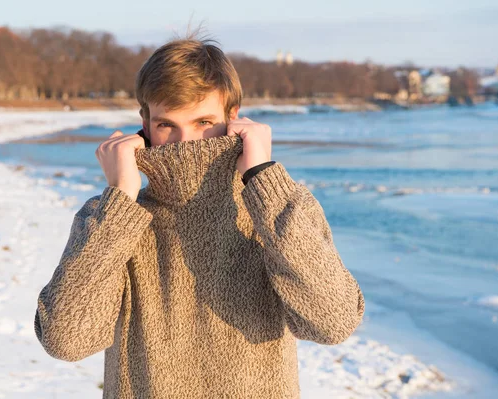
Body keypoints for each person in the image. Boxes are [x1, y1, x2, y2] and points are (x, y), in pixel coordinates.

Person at [34, 33, 365, 398]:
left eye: (204, 122)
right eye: (166, 125)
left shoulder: (276, 209)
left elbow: (333, 322)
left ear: (234, 118)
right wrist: (120, 199)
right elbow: (67, 340)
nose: (185, 142)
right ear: (143, 127)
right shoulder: (113, 220)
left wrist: (264, 179)